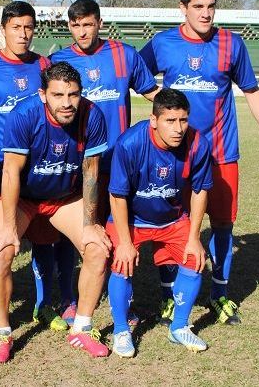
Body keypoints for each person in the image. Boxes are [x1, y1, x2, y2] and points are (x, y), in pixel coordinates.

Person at [139, 0, 259, 326]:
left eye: (211, 6)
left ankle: (219, 294)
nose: (206, 13)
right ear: (183, 8)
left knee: (222, 225)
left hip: (220, 152)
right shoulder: (162, 44)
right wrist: (163, 104)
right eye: (198, 6)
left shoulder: (232, 44)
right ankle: (168, 295)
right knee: (168, 222)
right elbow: (134, 74)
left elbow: (251, 90)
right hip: (175, 154)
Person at [0, 62, 110, 363]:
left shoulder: (92, 115)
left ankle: (81, 328)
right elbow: (11, 172)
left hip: (65, 198)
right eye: (58, 95)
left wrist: (91, 223)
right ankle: (2, 332)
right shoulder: (24, 115)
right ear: (43, 94)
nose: (66, 103)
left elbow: (91, 173)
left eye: (73, 95)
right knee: (0, 250)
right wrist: (7, 226)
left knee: (97, 249)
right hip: (26, 198)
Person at [0, 1, 74, 333]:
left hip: (36, 173)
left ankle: (43, 306)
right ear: (3, 29)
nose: (23, 34)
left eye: (28, 27)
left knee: (44, 240)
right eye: (16, 27)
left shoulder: (44, 65)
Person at [50, 0, 158, 325]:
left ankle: (123, 301)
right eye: (76, 25)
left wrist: (179, 113)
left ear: (100, 23)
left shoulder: (124, 55)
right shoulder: (58, 60)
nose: (82, 31)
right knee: (75, 234)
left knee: (119, 233)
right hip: (76, 166)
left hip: (119, 164)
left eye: (88, 24)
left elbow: (152, 92)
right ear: (69, 27)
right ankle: (69, 300)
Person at [106, 88, 212, 357]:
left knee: (195, 258)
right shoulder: (129, 144)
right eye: (170, 121)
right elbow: (117, 196)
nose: (178, 128)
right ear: (154, 120)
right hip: (132, 219)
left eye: (183, 120)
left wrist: (194, 237)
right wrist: (126, 243)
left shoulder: (198, 143)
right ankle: (120, 330)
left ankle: (179, 327)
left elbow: (200, 191)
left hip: (173, 220)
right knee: (122, 260)